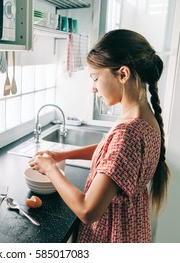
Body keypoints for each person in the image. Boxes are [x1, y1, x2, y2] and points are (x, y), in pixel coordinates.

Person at [28, 29, 170, 243]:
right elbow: (111, 155)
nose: (94, 88)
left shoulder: (129, 132)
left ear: (123, 74)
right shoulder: (143, 115)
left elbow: (87, 210)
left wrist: (50, 169)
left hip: (112, 235)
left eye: (95, 78)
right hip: (133, 228)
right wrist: (61, 155)